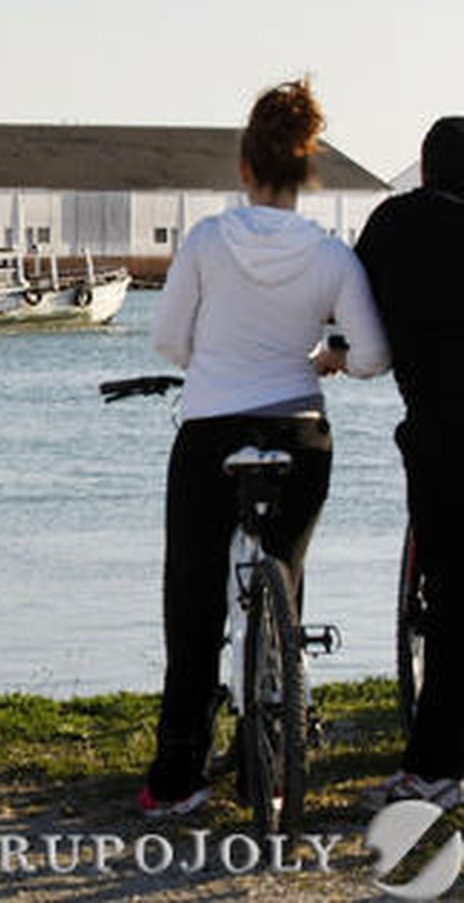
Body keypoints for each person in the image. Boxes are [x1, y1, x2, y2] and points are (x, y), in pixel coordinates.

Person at [139, 79, 389, 817]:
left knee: (194, 597)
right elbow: (372, 356)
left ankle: (177, 776)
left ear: (245, 170)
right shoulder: (330, 256)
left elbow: (167, 340)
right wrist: (329, 355)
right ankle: (272, 760)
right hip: (298, 432)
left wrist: (214, 362)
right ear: (306, 174)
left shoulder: (208, 241)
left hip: (212, 429)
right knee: (286, 571)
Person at [355, 117, 464, 807]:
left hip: (443, 433)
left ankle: (435, 769)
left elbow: (355, 321)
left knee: (450, 598)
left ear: (423, 169)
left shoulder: (394, 225)